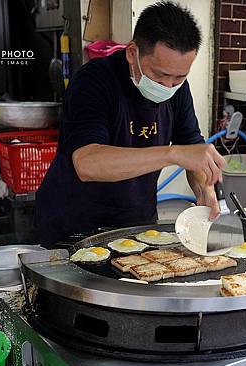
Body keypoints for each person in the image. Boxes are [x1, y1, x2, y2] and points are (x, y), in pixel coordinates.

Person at [36, 1, 226, 247]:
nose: (169, 86)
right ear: (132, 53)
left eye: (180, 76)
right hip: (75, 227)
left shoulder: (178, 90)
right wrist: (174, 154)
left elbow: (193, 149)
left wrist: (204, 190)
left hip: (137, 226)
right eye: (159, 74)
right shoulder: (93, 81)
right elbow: (87, 163)